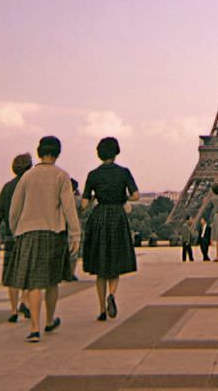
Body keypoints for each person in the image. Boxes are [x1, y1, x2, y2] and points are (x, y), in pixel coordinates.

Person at [7, 136, 80, 343]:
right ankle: (49, 320)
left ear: (39, 151)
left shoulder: (28, 176)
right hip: (53, 233)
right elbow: (68, 208)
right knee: (51, 281)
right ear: (57, 152)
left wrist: (16, 230)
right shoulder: (61, 176)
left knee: (33, 283)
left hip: (28, 233)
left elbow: (15, 209)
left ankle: (34, 328)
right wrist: (75, 234)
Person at [81, 137, 139, 321]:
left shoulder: (93, 174)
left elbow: (84, 204)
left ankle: (101, 310)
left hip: (100, 216)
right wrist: (123, 199)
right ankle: (112, 294)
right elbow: (136, 195)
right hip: (117, 215)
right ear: (116, 152)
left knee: (100, 266)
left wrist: (92, 199)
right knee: (114, 261)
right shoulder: (124, 173)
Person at [0, 152, 33, 322]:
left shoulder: (7, 187)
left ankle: (13, 310)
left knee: (11, 273)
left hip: (10, 234)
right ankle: (25, 300)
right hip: (29, 233)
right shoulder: (31, 186)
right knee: (29, 272)